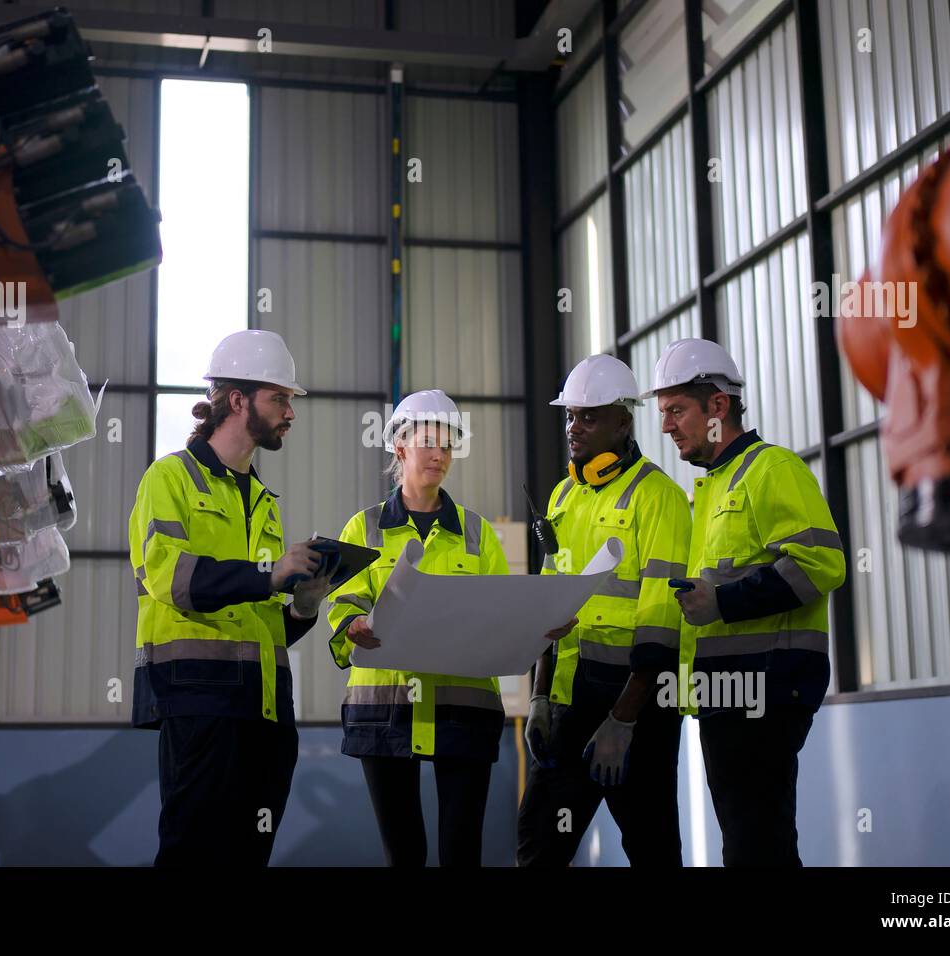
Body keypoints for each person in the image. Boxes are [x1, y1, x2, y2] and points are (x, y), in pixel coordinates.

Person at [327, 389, 570, 866]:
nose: (439, 454)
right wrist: (353, 624)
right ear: (400, 447)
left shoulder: (478, 535)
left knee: (462, 853)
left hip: (464, 711)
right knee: (404, 855)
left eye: (447, 443)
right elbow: (343, 607)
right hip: (386, 712)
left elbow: (504, 613)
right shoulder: (364, 528)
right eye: (427, 442)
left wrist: (540, 624)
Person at [128, 329, 333, 867]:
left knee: (248, 859)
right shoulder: (169, 478)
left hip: (264, 710)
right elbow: (172, 579)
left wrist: (305, 604)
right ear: (238, 400)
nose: (290, 411)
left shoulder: (264, 501)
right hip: (199, 702)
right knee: (191, 856)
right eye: (280, 398)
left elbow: (264, 623)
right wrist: (270, 573)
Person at [643, 337, 846, 866]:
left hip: (767, 687)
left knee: (758, 844)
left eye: (676, 410)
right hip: (728, 690)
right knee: (751, 842)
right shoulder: (711, 489)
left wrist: (724, 603)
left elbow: (821, 563)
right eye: (663, 412)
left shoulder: (770, 469)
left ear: (718, 405)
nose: (666, 426)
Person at [516, 354, 693, 866]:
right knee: (538, 846)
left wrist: (623, 720)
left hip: (636, 710)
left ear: (622, 420)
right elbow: (548, 609)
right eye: (570, 415)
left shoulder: (658, 497)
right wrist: (540, 697)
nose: (574, 427)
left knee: (652, 848)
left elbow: (663, 622)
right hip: (570, 703)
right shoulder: (563, 496)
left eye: (588, 417)